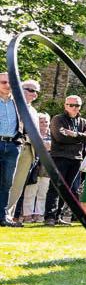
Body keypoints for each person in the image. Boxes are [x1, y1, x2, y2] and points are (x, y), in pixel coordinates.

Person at [44, 95, 86, 226]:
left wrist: (75, 134)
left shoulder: (82, 121)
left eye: (77, 105)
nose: (74, 107)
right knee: (56, 187)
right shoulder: (58, 119)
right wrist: (81, 138)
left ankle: (58, 216)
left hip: (76, 158)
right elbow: (60, 137)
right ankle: (50, 217)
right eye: (71, 105)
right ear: (65, 105)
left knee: (68, 189)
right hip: (59, 157)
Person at [6, 79, 40, 225]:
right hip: (10, 146)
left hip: (27, 149)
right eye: (31, 90)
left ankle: (7, 215)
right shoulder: (9, 104)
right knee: (6, 181)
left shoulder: (33, 111)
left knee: (18, 185)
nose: (34, 94)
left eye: (36, 92)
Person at [0, 73, 23, 227]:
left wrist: (20, 141)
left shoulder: (19, 103)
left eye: (10, 82)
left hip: (12, 146)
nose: (7, 85)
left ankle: (3, 217)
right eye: (3, 82)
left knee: (7, 182)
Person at [21, 113, 51, 223]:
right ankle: (27, 214)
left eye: (46, 122)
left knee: (43, 192)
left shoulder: (53, 135)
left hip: (47, 168)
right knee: (30, 192)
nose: (44, 124)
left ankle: (39, 214)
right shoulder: (33, 134)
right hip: (34, 166)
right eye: (41, 122)